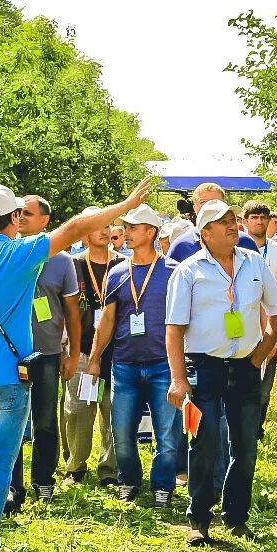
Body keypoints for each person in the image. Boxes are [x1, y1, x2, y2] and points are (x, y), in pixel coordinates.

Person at [0, 178, 151, 552]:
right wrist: (124, 205)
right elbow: (74, 229)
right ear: (14, 218)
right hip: (9, 377)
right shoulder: (20, 253)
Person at [166, 200, 277, 545]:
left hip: (245, 367)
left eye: (234, 219)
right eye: (223, 222)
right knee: (204, 443)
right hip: (204, 368)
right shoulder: (188, 271)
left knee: (245, 446)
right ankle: (199, 518)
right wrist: (178, 378)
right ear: (205, 233)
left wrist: (261, 352)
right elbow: (173, 329)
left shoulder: (255, 264)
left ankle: (236, 517)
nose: (233, 225)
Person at [87, 204, 180, 507]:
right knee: (122, 432)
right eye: (124, 227)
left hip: (163, 364)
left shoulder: (173, 271)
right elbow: (108, 321)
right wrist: (94, 358)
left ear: (150, 232)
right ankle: (129, 480)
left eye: (132, 227)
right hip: (124, 365)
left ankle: (163, 485)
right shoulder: (116, 272)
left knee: (166, 433)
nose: (125, 232)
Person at [6, 194, 81, 510]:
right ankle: (13, 486)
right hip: (11, 354)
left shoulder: (62, 261)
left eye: (27, 213)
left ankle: (43, 481)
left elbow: (72, 312)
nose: (20, 217)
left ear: (45, 221)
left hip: (48, 353)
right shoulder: (6, 255)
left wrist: (73, 353)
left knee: (45, 421)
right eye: (18, 212)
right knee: (10, 420)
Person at [66, 213, 123, 486]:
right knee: (77, 410)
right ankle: (75, 466)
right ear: (85, 234)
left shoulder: (123, 265)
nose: (104, 231)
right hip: (82, 349)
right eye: (97, 227)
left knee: (112, 411)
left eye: (107, 226)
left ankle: (109, 469)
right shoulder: (73, 265)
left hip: (118, 351)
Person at [241, 200, 277, 438]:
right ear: (245, 221)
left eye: (263, 217)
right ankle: (239, 424)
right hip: (243, 321)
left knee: (265, 381)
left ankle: (256, 427)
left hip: (271, 321)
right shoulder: (238, 248)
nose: (260, 222)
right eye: (254, 217)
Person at [166, 183, 260, 262]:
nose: (209, 206)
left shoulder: (245, 241)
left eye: (215, 201)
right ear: (194, 208)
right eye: (203, 202)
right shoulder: (181, 245)